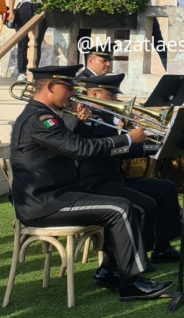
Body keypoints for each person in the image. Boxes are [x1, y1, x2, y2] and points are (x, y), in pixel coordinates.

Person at [9, 64, 172, 300]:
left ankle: (110, 271)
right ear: (52, 86)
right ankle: (131, 283)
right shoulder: (40, 119)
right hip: (45, 202)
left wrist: (84, 126)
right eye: (69, 87)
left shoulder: (47, 117)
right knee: (121, 207)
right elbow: (81, 150)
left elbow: (72, 147)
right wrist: (127, 138)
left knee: (128, 204)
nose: (74, 93)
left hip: (60, 196)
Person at [74, 73, 184, 291]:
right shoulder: (87, 119)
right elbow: (105, 150)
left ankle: (161, 247)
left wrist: (157, 146)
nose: (117, 100)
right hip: (95, 184)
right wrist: (132, 139)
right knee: (145, 205)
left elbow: (121, 151)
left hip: (116, 179)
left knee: (166, 188)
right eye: (112, 95)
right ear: (95, 94)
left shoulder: (107, 117)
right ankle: (128, 265)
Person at [7, 0, 57, 79]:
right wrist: (11, 11)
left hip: (40, 9)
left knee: (37, 41)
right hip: (24, 7)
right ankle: (22, 72)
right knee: (22, 42)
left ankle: (34, 71)